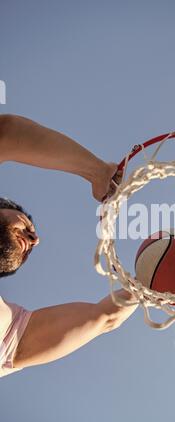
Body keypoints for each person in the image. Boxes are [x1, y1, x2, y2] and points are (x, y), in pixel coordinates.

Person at [0, 114, 138, 378]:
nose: (35, 240)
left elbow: (104, 318)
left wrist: (146, 287)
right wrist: (96, 171)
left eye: (33, 237)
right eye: (27, 227)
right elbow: (5, 134)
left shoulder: (7, 328)